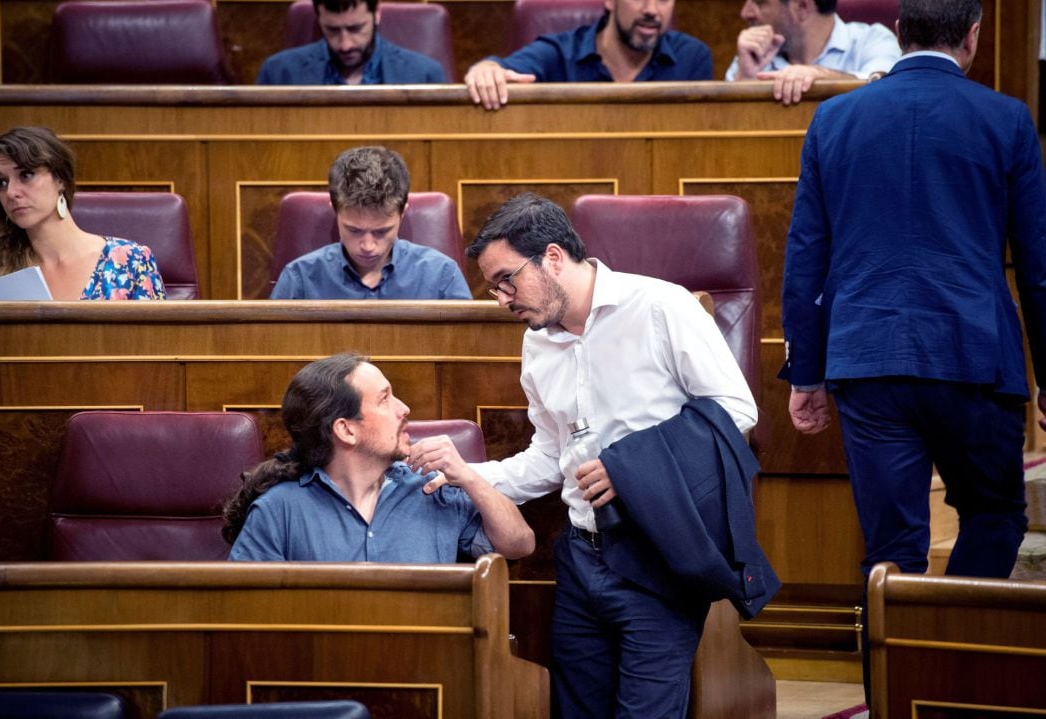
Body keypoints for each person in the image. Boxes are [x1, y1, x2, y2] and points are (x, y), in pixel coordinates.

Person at [781, 0, 1046, 699]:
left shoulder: (834, 119)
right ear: (975, 37)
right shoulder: (1006, 119)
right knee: (993, 517)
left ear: (898, 34)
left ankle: (893, 698)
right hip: (974, 359)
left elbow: (805, 253)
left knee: (889, 552)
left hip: (865, 360)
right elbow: (1039, 264)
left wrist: (805, 370)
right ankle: (953, 681)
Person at [412, 193, 760, 717]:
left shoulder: (661, 307)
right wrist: (470, 475)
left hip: (656, 553)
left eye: (508, 279)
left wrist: (633, 470)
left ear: (553, 257)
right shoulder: (537, 343)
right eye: (493, 287)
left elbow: (737, 411)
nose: (503, 299)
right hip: (580, 558)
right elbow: (552, 456)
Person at [224, 353, 535, 562]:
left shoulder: (432, 489)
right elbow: (248, 618)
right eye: (385, 399)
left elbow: (520, 545)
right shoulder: (279, 510)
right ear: (346, 430)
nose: (404, 409)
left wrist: (469, 477)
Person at [0, 126, 166, 300]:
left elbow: (156, 342)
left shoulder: (131, 260)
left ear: (60, 179)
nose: (11, 192)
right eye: (1, 182)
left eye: (26, 175)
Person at [270, 146, 472, 299]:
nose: (368, 246)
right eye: (354, 230)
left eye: (381, 231)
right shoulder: (299, 279)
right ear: (335, 209)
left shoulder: (442, 275)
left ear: (403, 213)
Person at [464, 0, 712, 110]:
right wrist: (486, 70)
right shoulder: (560, 52)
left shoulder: (693, 58)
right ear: (610, 1)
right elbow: (499, 68)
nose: (651, 10)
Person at [727, 0, 900, 105]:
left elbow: (886, 89)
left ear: (801, 7)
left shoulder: (872, 40)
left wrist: (820, 75)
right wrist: (745, 79)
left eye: (759, 2)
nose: (745, 12)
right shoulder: (753, 53)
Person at [257, 0, 446, 85]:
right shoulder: (278, 74)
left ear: (377, 14)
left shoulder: (425, 75)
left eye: (356, 29)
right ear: (318, 19)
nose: (345, 45)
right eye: (332, 30)